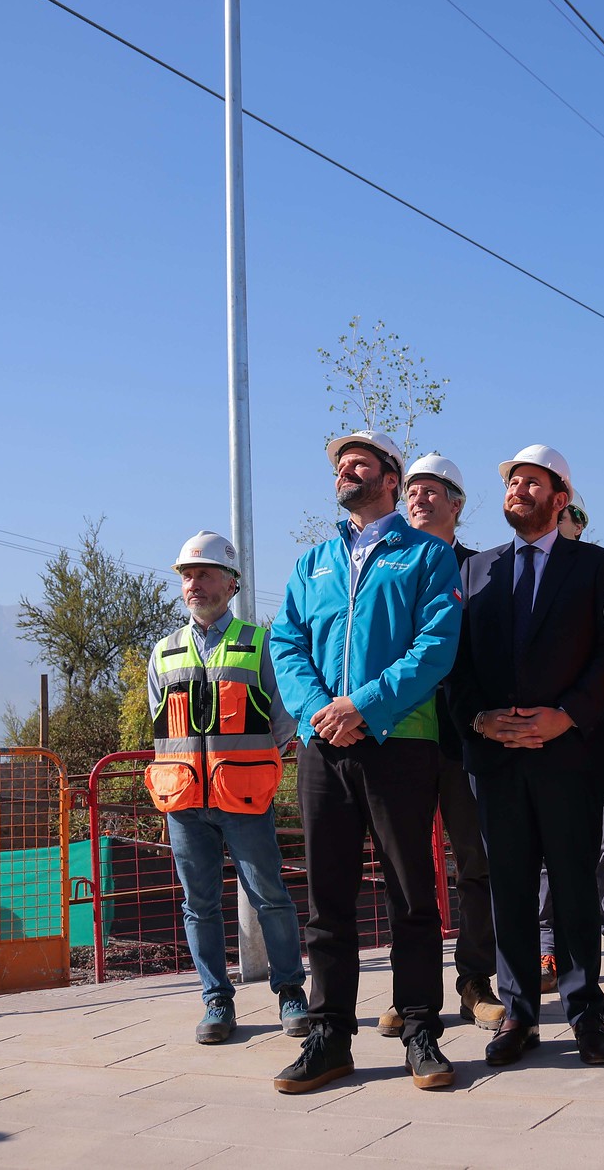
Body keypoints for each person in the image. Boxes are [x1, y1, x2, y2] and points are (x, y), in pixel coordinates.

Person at [269, 430, 464, 1095]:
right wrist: (321, 710)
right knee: (326, 897)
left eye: (360, 463)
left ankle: (419, 1028)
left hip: (400, 743)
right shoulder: (312, 563)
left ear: (389, 477)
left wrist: (366, 705)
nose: (345, 472)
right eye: (338, 465)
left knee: (412, 895)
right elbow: (287, 641)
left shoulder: (428, 557)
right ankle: (329, 1034)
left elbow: (435, 646)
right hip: (325, 747)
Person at [451, 445, 604, 1067]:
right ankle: (519, 1013)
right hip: (496, 757)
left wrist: (566, 716)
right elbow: (458, 659)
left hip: (570, 755)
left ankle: (586, 1012)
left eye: (531, 482)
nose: (517, 490)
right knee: (509, 888)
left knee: (577, 884)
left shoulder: (597, 564)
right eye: (511, 482)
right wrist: (481, 718)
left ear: (561, 500)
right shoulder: (477, 570)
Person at [142, 531, 309, 1046]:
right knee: (199, 904)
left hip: (244, 799)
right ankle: (216, 999)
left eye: (206, 573)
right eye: (188, 575)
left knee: (270, 897)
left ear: (231, 583)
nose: (195, 583)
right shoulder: (163, 652)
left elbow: (283, 722)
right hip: (184, 801)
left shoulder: (259, 646)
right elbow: (160, 723)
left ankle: (290, 994)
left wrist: (240, 768)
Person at [397, 453, 507, 1036]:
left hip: (464, 740)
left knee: (474, 864)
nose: (420, 498)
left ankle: (474, 982)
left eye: (433, 490)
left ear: (457, 504)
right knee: (405, 866)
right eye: (412, 489)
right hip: (401, 739)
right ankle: (411, 991)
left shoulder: (483, 570)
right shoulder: (385, 568)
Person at [539, 495, 604, 996]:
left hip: (603, 739)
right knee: (545, 851)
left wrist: (593, 696)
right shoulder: (520, 581)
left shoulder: (603, 579)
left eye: (569, 518)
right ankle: (546, 948)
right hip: (542, 743)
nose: (561, 526)